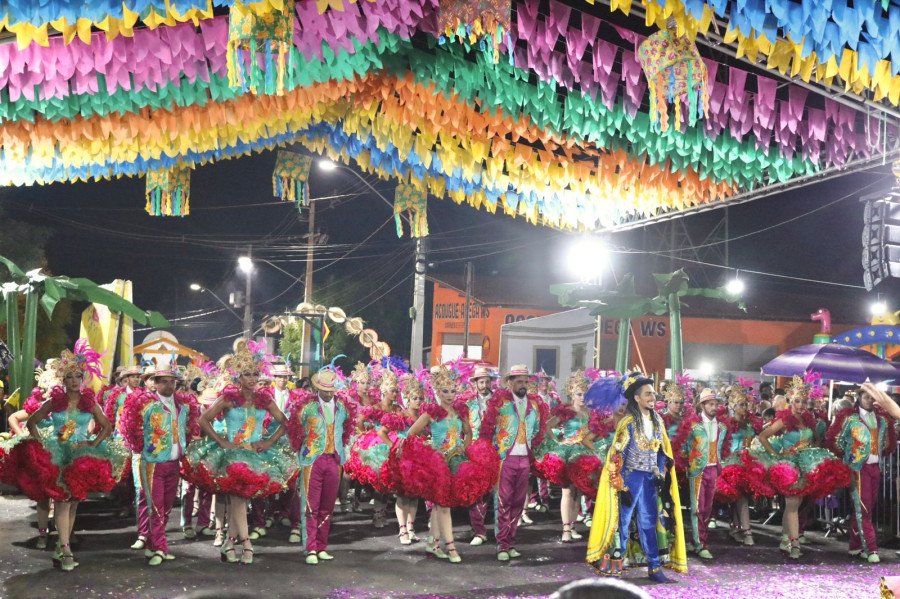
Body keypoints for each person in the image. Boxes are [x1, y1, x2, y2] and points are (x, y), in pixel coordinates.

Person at [185, 341, 295, 565]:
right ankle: (246, 543)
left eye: (255, 374)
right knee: (237, 499)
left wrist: (268, 441)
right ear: (238, 377)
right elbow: (203, 420)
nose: (252, 379)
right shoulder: (228, 398)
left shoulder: (265, 399)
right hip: (230, 456)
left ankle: (229, 543)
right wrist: (221, 441)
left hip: (255, 455)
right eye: (247, 374)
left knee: (241, 500)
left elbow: (286, 422)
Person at [22, 341, 127, 571]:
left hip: (81, 456)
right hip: (59, 456)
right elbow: (31, 422)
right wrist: (43, 444)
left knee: (73, 503)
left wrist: (92, 442)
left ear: (83, 379)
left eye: (77, 376)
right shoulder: (54, 402)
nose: (73, 380)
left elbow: (106, 426)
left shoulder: (89, 402)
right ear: (63, 380)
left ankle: (62, 544)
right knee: (62, 502)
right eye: (69, 376)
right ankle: (65, 548)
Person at [390, 365, 499, 564]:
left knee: (441, 507)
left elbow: (469, 433)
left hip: (457, 461)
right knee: (443, 506)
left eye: (453, 391)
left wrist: (464, 449)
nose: (450, 395)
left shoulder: (460, 411)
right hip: (438, 464)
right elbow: (411, 433)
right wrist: (423, 451)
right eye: (445, 391)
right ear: (438, 392)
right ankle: (451, 548)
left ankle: (433, 543)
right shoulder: (431, 412)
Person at [585, 372, 686, 584]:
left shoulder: (658, 420)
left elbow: (662, 450)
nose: (653, 397)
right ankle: (613, 568)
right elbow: (616, 455)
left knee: (649, 521)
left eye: (654, 394)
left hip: (650, 479)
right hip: (629, 479)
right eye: (648, 394)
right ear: (637, 398)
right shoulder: (628, 422)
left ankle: (654, 567)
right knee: (620, 522)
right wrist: (620, 485)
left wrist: (660, 473)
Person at [753, 375, 851, 560]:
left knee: (795, 505)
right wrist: (776, 456)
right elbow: (763, 436)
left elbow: (814, 439)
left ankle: (784, 539)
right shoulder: (784, 419)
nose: (800, 405)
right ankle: (795, 543)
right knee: (792, 504)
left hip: (805, 464)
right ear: (790, 400)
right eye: (797, 401)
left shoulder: (808, 419)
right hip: (789, 465)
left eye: (803, 401)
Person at [122, 367, 200, 566]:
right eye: (163, 381)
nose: (168, 385)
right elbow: (130, 428)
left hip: (174, 463)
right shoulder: (145, 404)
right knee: (155, 507)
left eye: (172, 381)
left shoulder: (183, 405)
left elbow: (190, 428)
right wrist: (142, 450)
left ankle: (152, 544)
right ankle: (160, 548)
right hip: (152, 464)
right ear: (155, 383)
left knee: (165, 509)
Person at [479, 364, 549, 562]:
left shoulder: (535, 404)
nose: (523, 384)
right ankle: (502, 543)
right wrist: (490, 453)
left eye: (526, 381)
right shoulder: (499, 402)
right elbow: (487, 429)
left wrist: (531, 445)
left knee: (518, 503)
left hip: (524, 458)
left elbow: (539, 429)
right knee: (502, 502)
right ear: (509, 382)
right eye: (519, 381)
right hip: (505, 458)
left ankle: (511, 541)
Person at [287, 364, 355, 565]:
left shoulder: (343, 409)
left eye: (330, 391)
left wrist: (342, 453)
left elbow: (346, 431)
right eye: (324, 391)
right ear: (317, 389)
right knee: (310, 505)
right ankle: (310, 549)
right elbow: (294, 430)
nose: (327, 394)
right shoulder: (306, 408)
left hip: (334, 460)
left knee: (327, 506)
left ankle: (322, 546)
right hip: (312, 460)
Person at [826, 382, 897, 563]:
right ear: (859, 398)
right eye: (866, 397)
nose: (870, 400)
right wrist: (850, 459)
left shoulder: (881, 420)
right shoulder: (850, 420)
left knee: (866, 509)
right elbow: (837, 442)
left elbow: (887, 443)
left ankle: (855, 545)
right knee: (863, 509)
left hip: (875, 468)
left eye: (872, 397)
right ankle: (871, 548)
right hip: (858, 469)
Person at [533, 369, 605, 543]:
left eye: (585, 394)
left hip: (584, 454)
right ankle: (565, 529)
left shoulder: (591, 412)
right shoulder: (565, 410)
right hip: (568, 453)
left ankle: (572, 527)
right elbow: (547, 426)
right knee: (567, 491)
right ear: (572, 393)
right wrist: (558, 441)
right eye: (579, 394)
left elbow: (598, 432)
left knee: (577, 493)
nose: (582, 397)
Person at [672, 388, 728, 560]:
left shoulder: (722, 426)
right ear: (702, 405)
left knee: (707, 508)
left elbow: (722, 448)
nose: (714, 407)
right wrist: (688, 462)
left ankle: (701, 541)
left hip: (713, 469)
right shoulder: (693, 425)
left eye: (716, 404)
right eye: (711, 404)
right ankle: (699, 544)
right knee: (696, 508)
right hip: (697, 470)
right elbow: (683, 445)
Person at [716, 385, 764, 546]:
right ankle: (747, 530)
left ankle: (736, 528)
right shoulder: (726, 424)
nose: (744, 408)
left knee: (742, 497)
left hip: (747, 463)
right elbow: (719, 445)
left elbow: (755, 442)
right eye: (741, 405)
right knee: (740, 497)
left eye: (746, 404)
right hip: (730, 464)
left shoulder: (751, 424)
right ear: (732, 406)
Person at [465, 365, 497, 546]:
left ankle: (481, 526)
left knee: (488, 491)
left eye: (487, 381)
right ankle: (478, 529)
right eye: (481, 381)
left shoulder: (499, 402)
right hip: (474, 449)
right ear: (475, 384)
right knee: (475, 490)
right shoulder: (468, 403)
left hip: (493, 449)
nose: (484, 384)